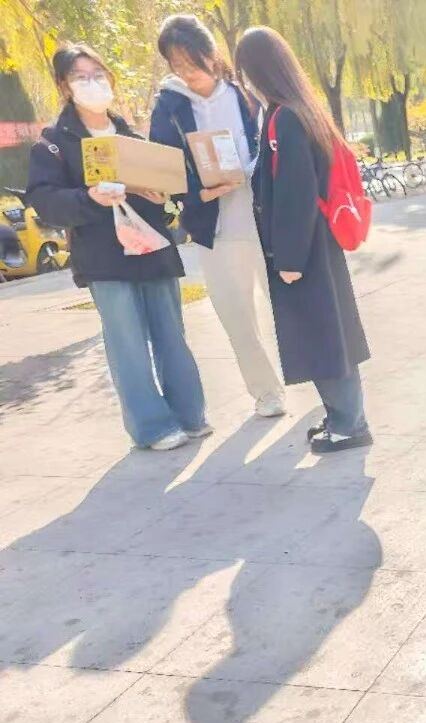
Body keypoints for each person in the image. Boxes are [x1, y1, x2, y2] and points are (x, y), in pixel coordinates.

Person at [26, 43, 206, 452]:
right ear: (64, 86)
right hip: (103, 256)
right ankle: (153, 427)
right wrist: (90, 198)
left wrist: (160, 197)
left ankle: (190, 415)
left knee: (171, 334)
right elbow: (45, 200)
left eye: (98, 74)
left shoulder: (130, 135)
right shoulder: (54, 143)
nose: (92, 83)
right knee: (127, 343)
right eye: (80, 77)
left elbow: (162, 193)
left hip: (153, 249)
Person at [234, 27, 372, 454]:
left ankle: (348, 425)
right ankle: (343, 416)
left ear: (257, 71)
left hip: (304, 250)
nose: (243, 81)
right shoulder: (299, 111)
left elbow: (295, 192)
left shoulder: (285, 118)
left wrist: (289, 259)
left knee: (322, 339)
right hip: (318, 245)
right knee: (329, 335)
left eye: (244, 71)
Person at [150, 14, 286, 421]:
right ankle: (266, 392)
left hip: (263, 217)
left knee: (286, 305)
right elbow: (164, 166)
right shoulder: (170, 105)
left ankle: (313, 375)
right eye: (177, 65)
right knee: (236, 315)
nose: (187, 72)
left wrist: (250, 172)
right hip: (215, 227)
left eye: (192, 61)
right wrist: (197, 192)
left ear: (211, 54)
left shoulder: (245, 93)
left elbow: (276, 144)